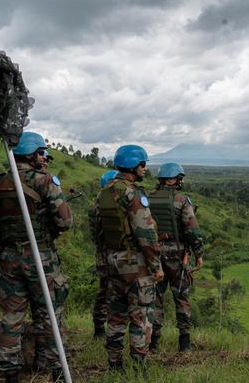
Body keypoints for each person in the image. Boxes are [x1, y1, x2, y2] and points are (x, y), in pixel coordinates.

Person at [0, 132, 72, 383]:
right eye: (41, 152)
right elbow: (65, 221)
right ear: (33, 154)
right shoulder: (44, 181)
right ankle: (55, 370)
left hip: (8, 258)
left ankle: (11, 373)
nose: (43, 157)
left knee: (11, 318)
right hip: (40, 256)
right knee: (50, 314)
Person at [95, 145, 163, 372]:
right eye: (143, 165)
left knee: (115, 316)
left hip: (113, 262)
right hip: (135, 264)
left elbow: (98, 232)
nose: (145, 169)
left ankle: (114, 365)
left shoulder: (103, 192)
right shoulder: (133, 193)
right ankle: (139, 368)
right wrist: (156, 266)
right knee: (141, 316)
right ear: (134, 166)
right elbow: (146, 235)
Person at [148, 162, 204, 353]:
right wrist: (199, 254)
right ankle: (185, 343)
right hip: (177, 256)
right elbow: (192, 230)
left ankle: (153, 343)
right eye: (179, 178)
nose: (180, 182)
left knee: (154, 298)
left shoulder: (148, 198)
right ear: (172, 179)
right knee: (181, 297)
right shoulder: (181, 200)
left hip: (153, 254)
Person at [90, 170, 118, 338]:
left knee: (103, 290)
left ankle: (99, 328)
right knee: (115, 292)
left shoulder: (97, 203)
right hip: (114, 253)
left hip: (102, 253)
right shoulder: (108, 203)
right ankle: (111, 329)